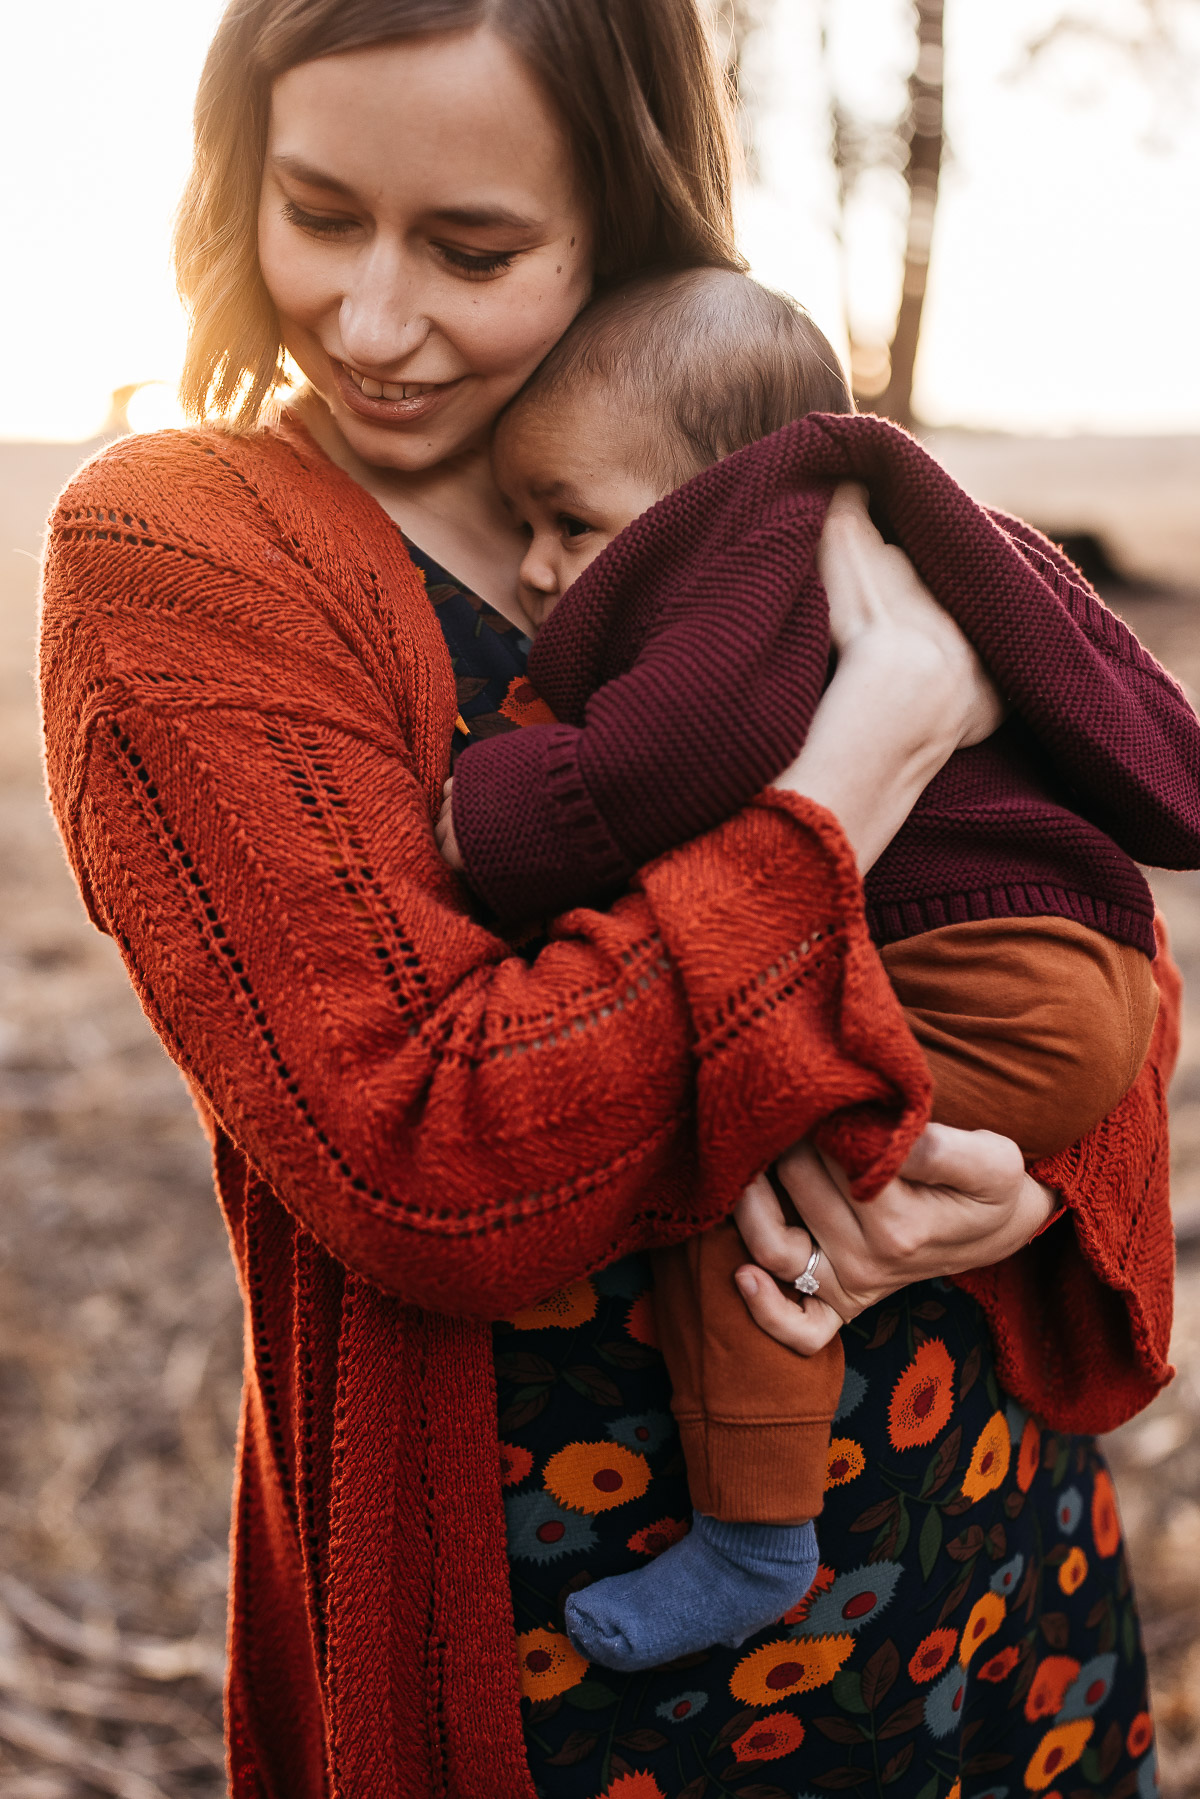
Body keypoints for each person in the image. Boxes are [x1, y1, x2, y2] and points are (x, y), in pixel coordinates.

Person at [36, 4, 1176, 1796]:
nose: (375, 319)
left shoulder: (737, 454)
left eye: (474, 248)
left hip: (981, 1549)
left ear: (622, 212)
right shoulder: (185, 553)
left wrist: (1029, 1185)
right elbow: (425, 1147)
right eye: (319, 212)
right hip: (562, 1646)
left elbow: (1046, 889)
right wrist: (849, 775)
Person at [435, 264, 1194, 1674]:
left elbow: (672, 764)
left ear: (701, 493)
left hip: (975, 977)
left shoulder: (750, 565)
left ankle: (751, 1535)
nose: (540, 568)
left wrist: (490, 819)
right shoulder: (874, 549)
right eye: (525, 526)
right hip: (1072, 969)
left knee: (721, 1117)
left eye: (572, 524)